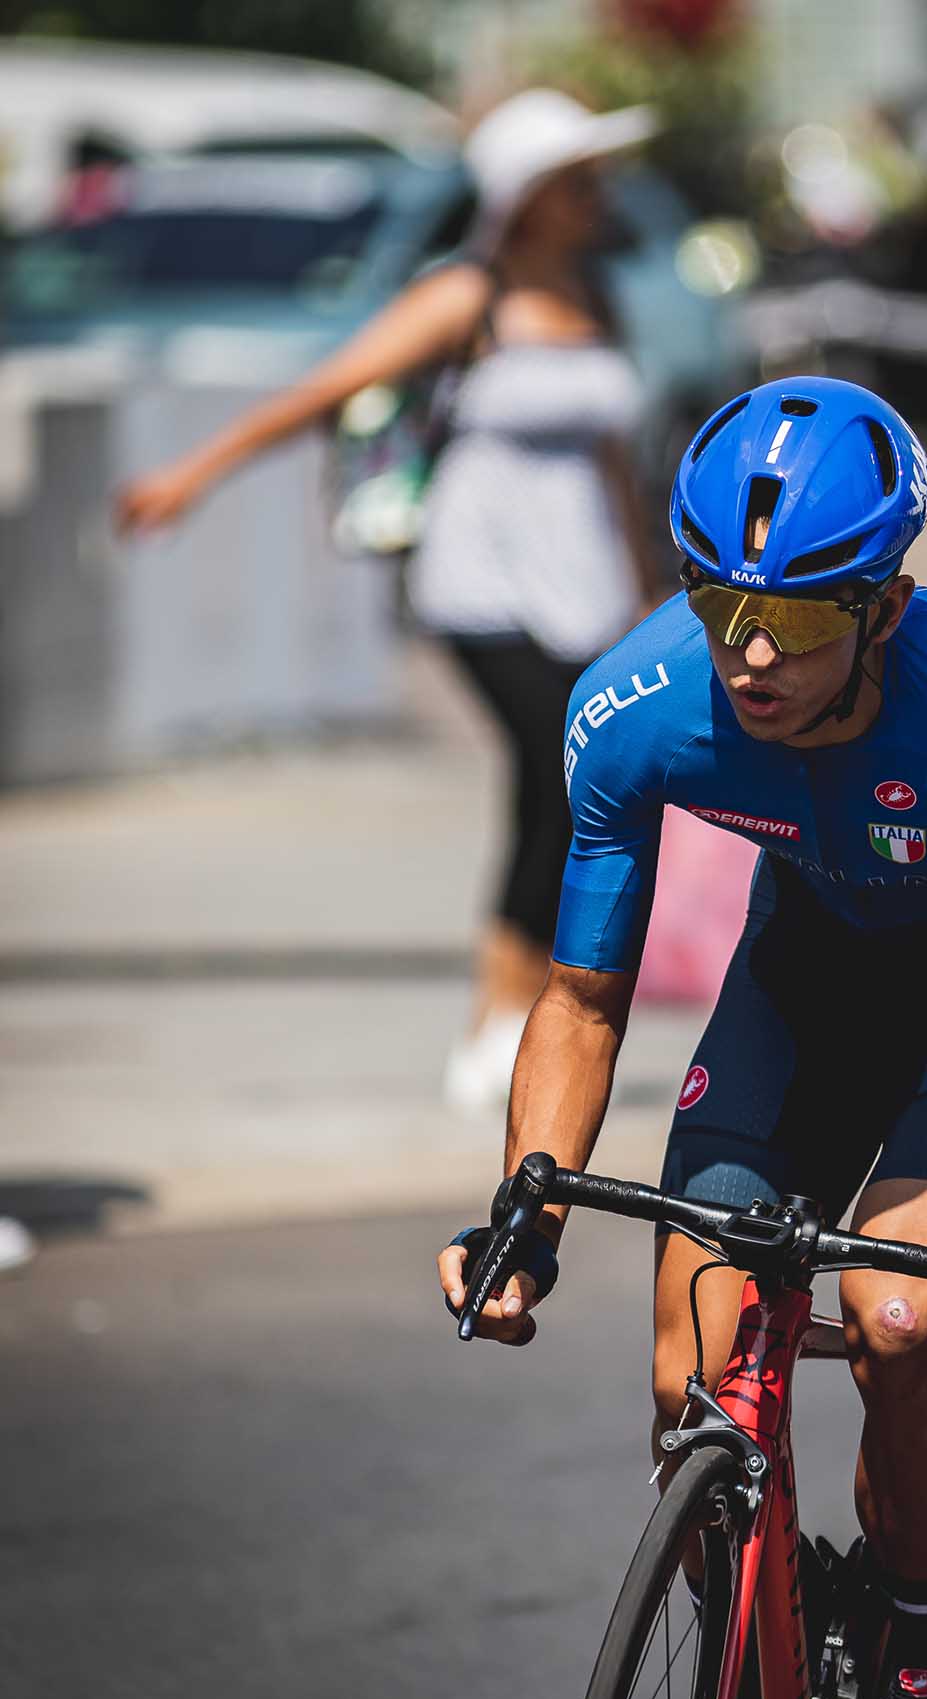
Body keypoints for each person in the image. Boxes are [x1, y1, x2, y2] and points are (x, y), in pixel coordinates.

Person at [438, 376, 927, 1699]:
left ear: (886, 607)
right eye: (718, 605)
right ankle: (772, 1646)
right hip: (810, 957)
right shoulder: (634, 710)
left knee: (899, 1322)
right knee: (692, 1372)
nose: (750, 654)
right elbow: (581, 998)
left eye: (800, 621)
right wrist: (525, 1217)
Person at [115, 88, 657, 1109]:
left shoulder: (597, 294)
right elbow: (321, 393)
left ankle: (520, 1012)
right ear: (527, 196)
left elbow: (616, 464)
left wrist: (649, 593)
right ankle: (500, 1017)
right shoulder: (466, 295)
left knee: (572, 786)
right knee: (557, 769)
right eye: (578, 180)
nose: (599, 196)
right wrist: (190, 476)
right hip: (482, 580)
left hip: (584, 584)